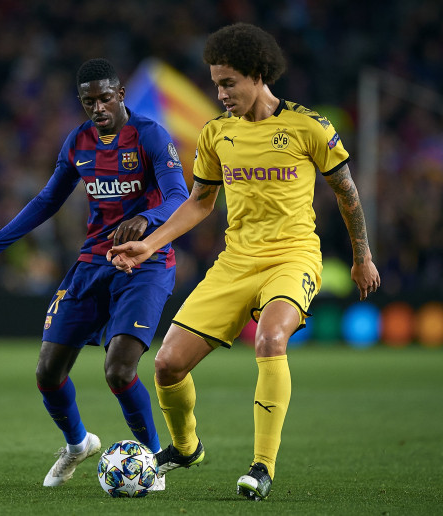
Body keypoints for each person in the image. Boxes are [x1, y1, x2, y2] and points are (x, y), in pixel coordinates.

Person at [107, 23, 381, 501]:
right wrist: (150, 244)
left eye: (228, 82)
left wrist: (363, 256)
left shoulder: (308, 126)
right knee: (167, 365)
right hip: (235, 262)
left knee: (271, 340)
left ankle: (262, 466)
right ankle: (186, 448)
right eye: (215, 83)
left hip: (292, 257)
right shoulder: (217, 133)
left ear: (258, 75)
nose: (220, 92)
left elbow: (347, 194)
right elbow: (199, 203)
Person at [0, 58, 189, 488]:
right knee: (47, 372)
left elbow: (180, 195)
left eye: (104, 98)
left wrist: (149, 220)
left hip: (145, 263)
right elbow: (47, 201)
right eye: (88, 101)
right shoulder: (78, 143)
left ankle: (152, 459)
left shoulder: (151, 136)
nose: (97, 108)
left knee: (119, 370)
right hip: (92, 264)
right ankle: (78, 444)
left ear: (119, 95)